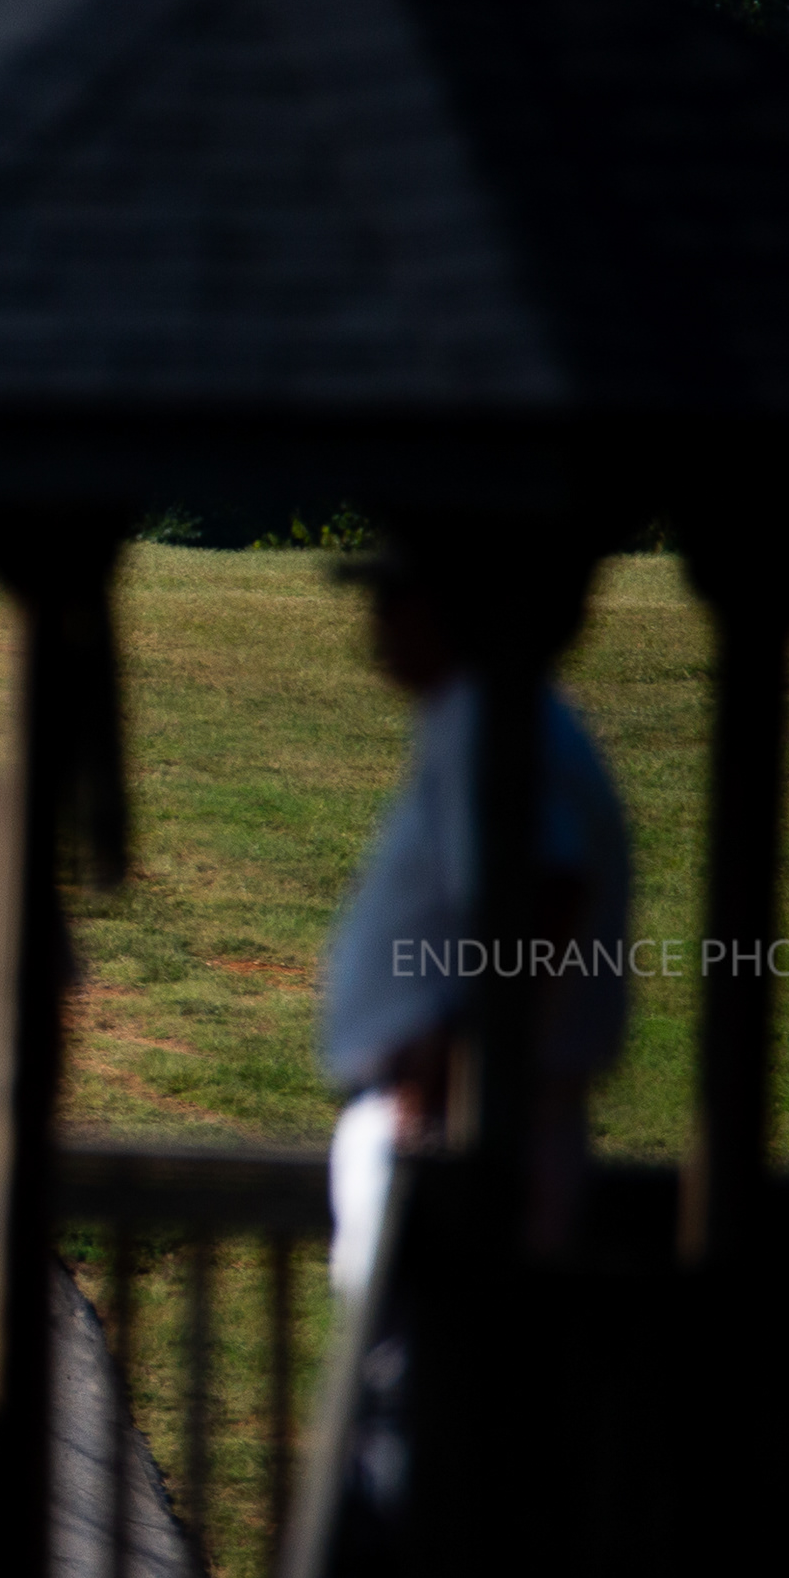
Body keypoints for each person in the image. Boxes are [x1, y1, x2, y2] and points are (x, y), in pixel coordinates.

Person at [318, 550, 633, 1293]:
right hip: (475, 1123)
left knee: (432, 1353)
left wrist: (448, 1074)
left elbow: (547, 895)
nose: (377, 620)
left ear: (450, 607)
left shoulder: (486, 717)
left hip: (458, 1131)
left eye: (396, 596)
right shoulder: (498, 714)